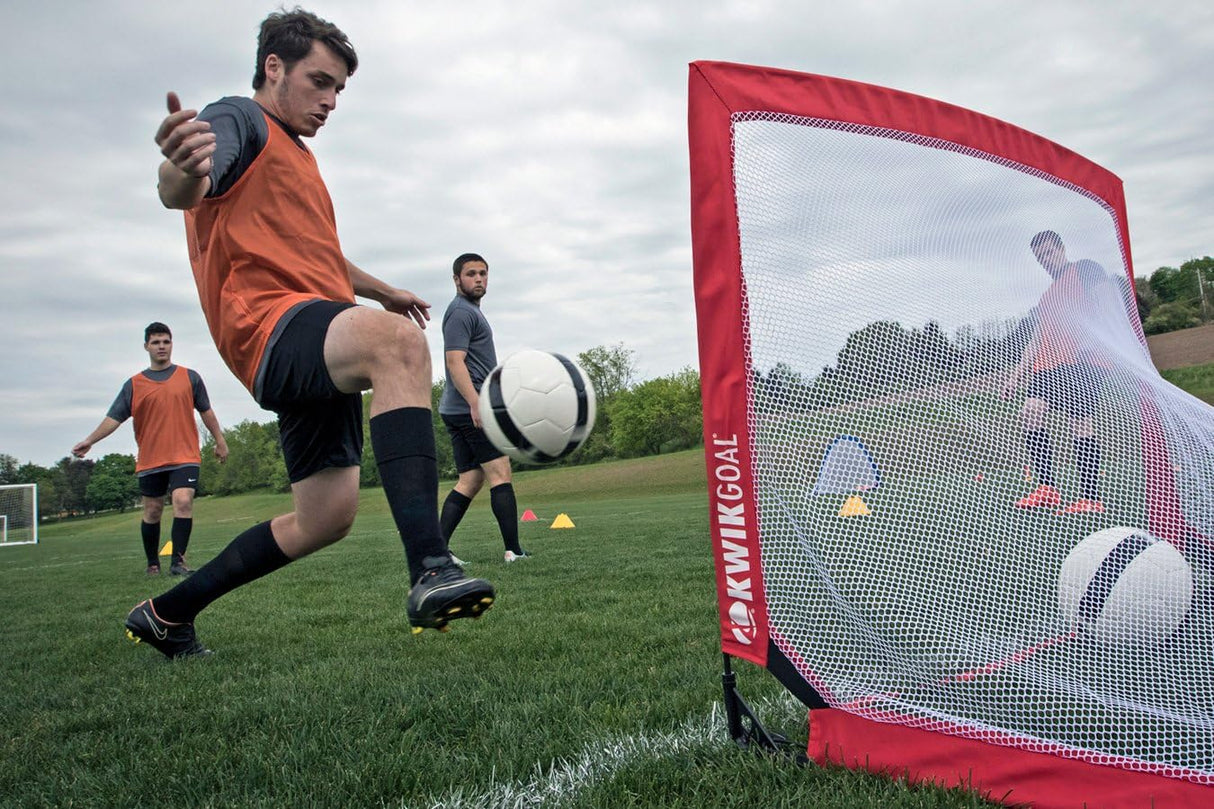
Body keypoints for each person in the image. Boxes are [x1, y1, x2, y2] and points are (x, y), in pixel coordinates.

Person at [125, 8, 494, 659]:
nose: (329, 101)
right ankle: (432, 564)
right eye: (320, 82)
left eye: (339, 91)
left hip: (313, 332)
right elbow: (186, 184)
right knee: (397, 345)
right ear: (275, 67)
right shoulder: (239, 117)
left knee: (325, 518)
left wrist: (382, 290)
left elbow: (317, 255)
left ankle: (167, 612)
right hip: (270, 327)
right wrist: (179, 168)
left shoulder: (299, 157)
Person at [73, 322, 229, 576]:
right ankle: (152, 563)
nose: (161, 347)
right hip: (151, 459)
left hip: (185, 456)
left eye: (166, 341)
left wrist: (220, 440)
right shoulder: (134, 385)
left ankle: (178, 563)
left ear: (171, 344)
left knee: (182, 500)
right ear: (146, 346)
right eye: (156, 342)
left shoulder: (190, 377)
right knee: (153, 510)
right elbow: (114, 418)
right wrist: (90, 440)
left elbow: (206, 411)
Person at [1002, 230, 1109, 515]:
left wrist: (1095, 341)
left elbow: (1107, 303)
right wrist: (1016, 374)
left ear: (1061, 248)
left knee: (1080, 423)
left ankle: (1090, 498)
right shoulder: (1047, 297)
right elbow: (1037, 338)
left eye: (1048, 253)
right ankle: (1048, 489)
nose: (1045, 260)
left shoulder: (1085, 270)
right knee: (1029, 413)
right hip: (1048, 366)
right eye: (1040, 258)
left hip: (1082, 361)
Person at [438, 253, 530, 564]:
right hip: (469, 407)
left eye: (483, 274)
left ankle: (436, 551)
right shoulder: (461, 313)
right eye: (471, 274)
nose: (478, 279)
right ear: (456, 280)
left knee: (470, 480)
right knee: (501, 473)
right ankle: (513, 551)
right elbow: (454, 362)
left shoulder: (468, 312)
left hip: (458, 408)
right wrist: (476, 403)